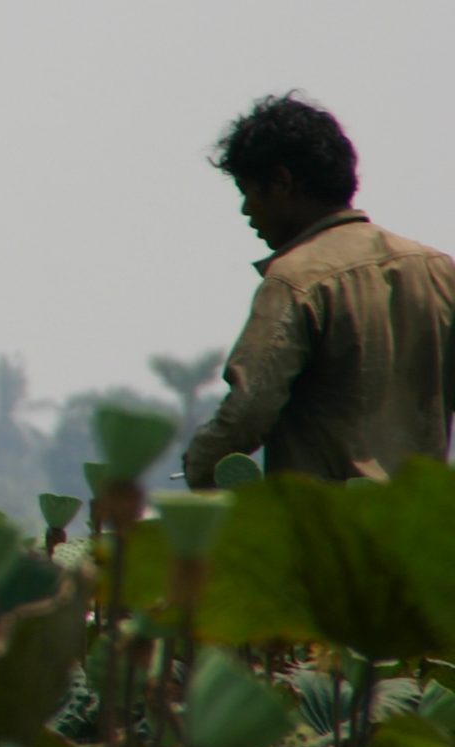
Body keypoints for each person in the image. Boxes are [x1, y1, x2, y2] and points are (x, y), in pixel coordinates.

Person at [180, 93, 455, 488]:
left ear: (282, 182)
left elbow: (248, 412)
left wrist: (200, 464)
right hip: (419, 533)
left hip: (328, 533)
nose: (245, 210)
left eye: (249, 191)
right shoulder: (435, 270)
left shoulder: (295, 280)